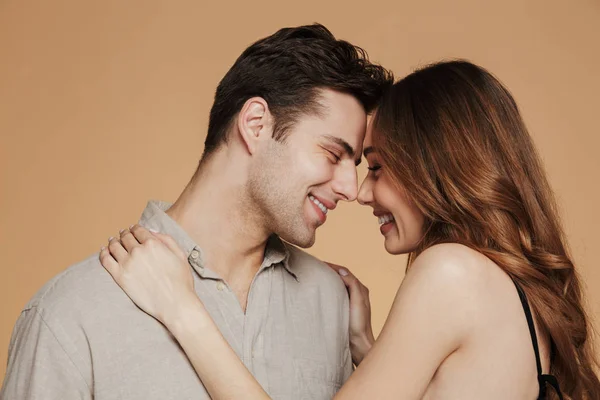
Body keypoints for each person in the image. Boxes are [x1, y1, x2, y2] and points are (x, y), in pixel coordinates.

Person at [100, 60, 600, 399]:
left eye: (376, 167)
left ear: (435, 167)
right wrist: (367, 345)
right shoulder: (515, 292)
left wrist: (182, 309)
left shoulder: (452, 273)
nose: (360, 192)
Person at [0, 24, 393, 400]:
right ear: (256, 124)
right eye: (332, 153)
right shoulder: (73, 311)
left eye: (355, 163)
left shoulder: (331, 303)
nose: (349, 187)